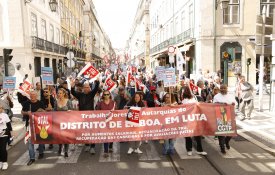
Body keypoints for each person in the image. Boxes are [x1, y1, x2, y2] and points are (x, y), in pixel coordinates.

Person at [71, 79, 99, 154]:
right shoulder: (80, 95)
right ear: (83, 88)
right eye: (85, 87)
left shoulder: (91, 94)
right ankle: (87, 145)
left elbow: (96, 88)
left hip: (91, 117)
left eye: (88, 87)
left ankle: (92, 147)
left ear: (89, 88)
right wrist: (72, 87)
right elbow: (73, 92)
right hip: (82, 117)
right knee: (85, 131)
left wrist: (97, 82)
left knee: (92, 132)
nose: (86, 88)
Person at [181, 86, 207, 156]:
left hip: (193, 118)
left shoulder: (192, 99)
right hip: (189, 119)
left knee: (194, 135)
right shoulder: (184, 101)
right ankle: (196, 150)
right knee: (193, 135)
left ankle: (191, 150)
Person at [21, 91, 45, 166]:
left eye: (34, 95)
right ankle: (32, 158)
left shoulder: (41, 103)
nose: (32, 96)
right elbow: (22, 111)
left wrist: (40, 111)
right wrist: (26, 113)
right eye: (31, 95)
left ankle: (41, 152)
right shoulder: (26, 103)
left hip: (39, 124)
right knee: (30, 142)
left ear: (36, 95)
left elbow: (45, 112)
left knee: (40, 139)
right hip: (29, 125)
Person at [213, 84, 235, 154]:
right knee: (221, 132)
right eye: (221, 88)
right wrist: (221, 103)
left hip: (229, 115)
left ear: (227, 89)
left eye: (224, 88)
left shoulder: (231, 96)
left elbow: (235, 103)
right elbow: (214, 104)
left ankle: (226, 141)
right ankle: (222, 147)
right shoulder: (216, 96)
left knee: (231, 133)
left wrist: (233, 104)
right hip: (219, 116)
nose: (222, 89)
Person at [96, 90, 116, 158]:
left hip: (112, 122)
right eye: (105, 94)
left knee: (111, 136)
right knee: (105, 136)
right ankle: (105, 151)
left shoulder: (113, 103)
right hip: (103, 123)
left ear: (110, 95)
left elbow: (117, 112)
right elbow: (97, 112)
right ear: (103, 95)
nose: (106, 96)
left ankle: (110, 146)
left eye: (108, 94)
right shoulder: (100, 103)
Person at [54, 88, 72, 158]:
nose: (59, 94)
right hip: (58, 122)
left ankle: (66, 151)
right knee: (59, 137)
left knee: (66, 137)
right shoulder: (56, 101)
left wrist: (69, 111)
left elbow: (72, 111)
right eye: (58, 93)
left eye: (60, 93)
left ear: (64, 94)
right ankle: (60, 147)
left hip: (66, 122)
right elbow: (54, 111)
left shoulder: (68, 101)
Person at [0, 104, 13, 170]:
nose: (0, 109)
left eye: (0, 108)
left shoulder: (4, 115)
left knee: (2, 149)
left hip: (4, 133)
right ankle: (0, 162)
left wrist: (10, 135)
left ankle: (5, 162)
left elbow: (9, 125)